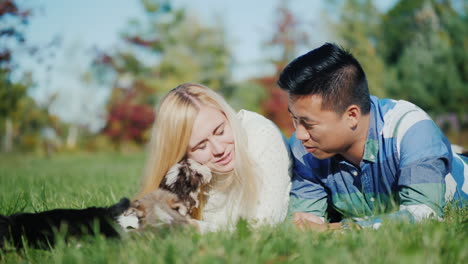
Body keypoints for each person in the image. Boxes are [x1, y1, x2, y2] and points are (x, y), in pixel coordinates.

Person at [277, 43, 468, 230]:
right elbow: (306, 225)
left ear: (351, 116)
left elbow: (425, 217)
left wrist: (334, 230)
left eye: (309, 124)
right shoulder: (303, 149)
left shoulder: (411, 130)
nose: (300, 134)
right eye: (294, 119)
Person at [138, 83, 291, 232]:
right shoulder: (184, 172)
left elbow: (263, 229)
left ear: (227, 116)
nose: (219, 149)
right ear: (182, 155)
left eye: (220, 131)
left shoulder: (261, 135)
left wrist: (192, 227)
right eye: (201, 145)